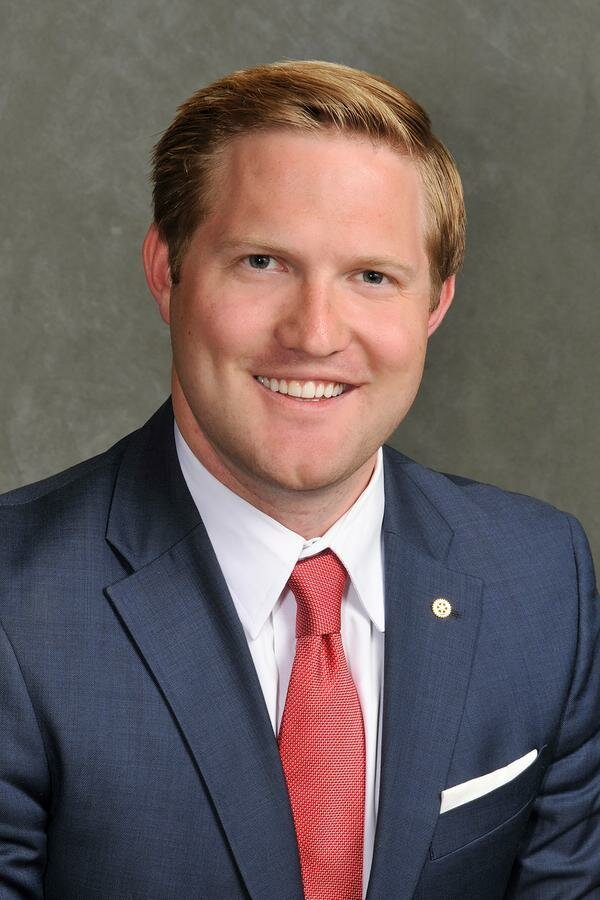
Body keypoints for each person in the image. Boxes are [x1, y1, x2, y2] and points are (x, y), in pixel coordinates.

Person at [0, 60, 598, 900]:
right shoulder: (16, 605)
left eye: (373, 277)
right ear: (167, 271)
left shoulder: (542, 580)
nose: (315, 334)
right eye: (262, 262)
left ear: (434, 305)